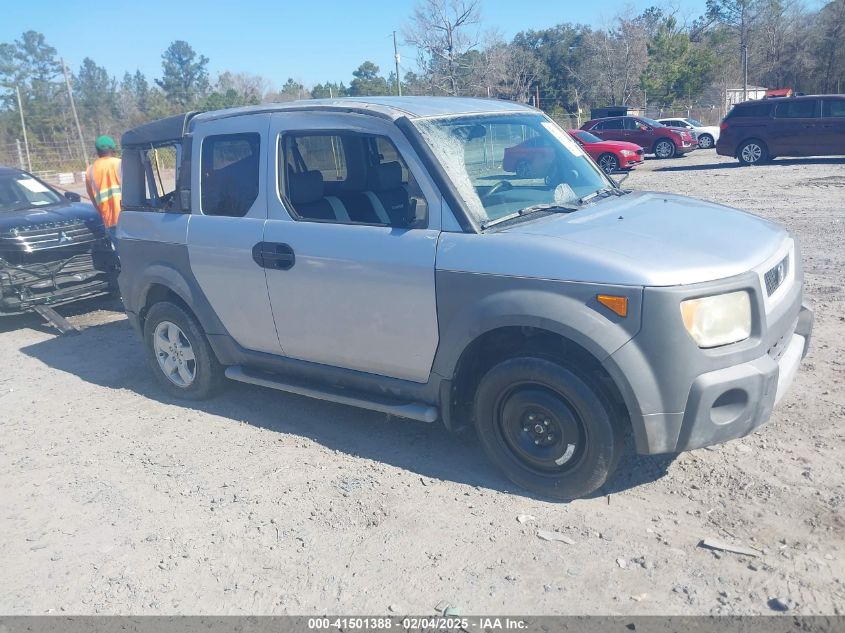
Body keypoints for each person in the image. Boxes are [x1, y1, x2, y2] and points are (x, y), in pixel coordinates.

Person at [85, 135, 122, 246]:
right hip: (127, 217)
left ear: (97, 151)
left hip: (109, 220)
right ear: (113, 149)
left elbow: (93, 198)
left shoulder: (90, 170)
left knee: (121, 256)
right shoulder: (120, 163)